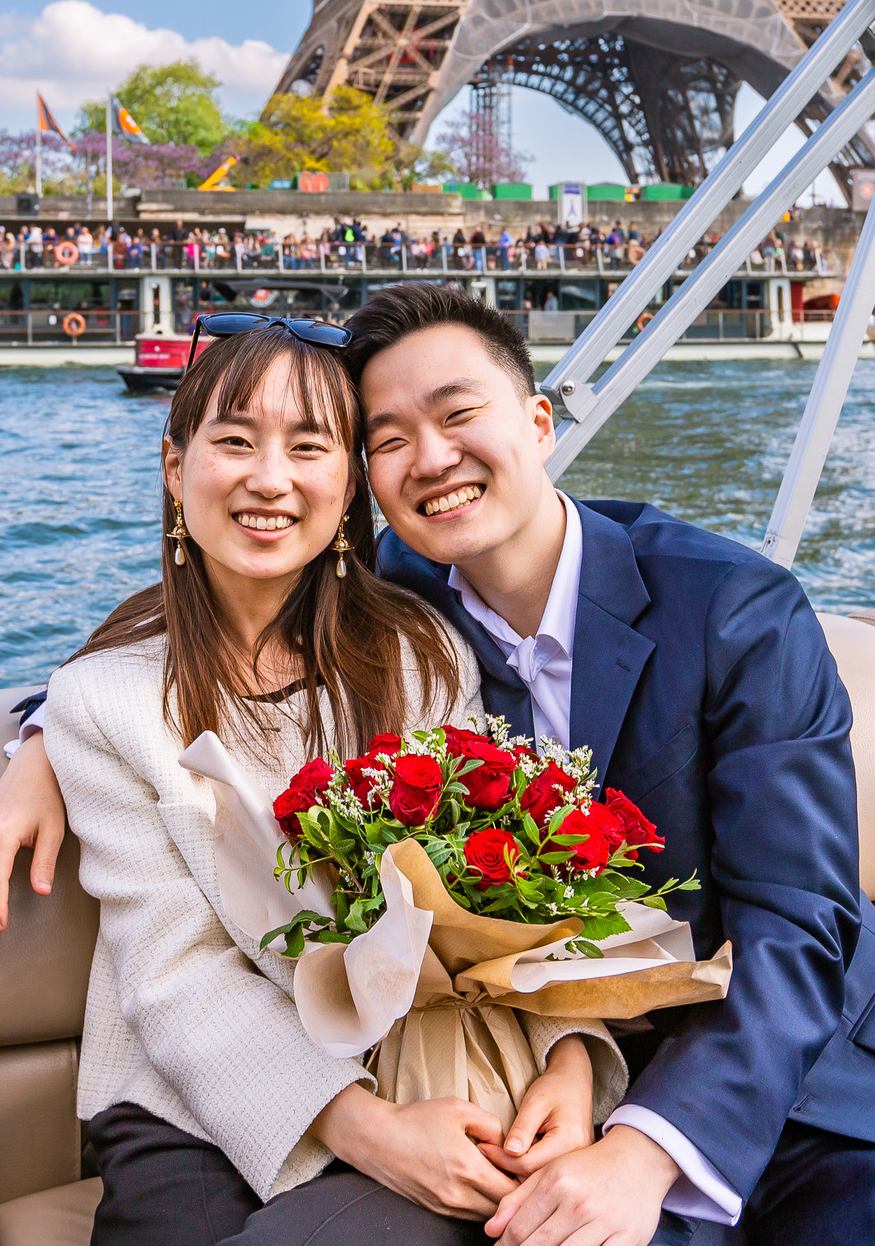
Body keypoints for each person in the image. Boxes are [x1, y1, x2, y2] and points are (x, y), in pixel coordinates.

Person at [0, 283, 875, 1246]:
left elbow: (796, 926)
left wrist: (640, 1143)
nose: (429, 459)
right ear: (368, 488)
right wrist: (42, 739)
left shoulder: (734, 610)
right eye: (386, 437)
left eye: (456, 416)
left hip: (807, 1062)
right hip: (546, 1078)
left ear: (537, 421)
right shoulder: (410, 602)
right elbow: (200, 627)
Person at [37, 316, 622, 1246]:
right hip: (194, 1095)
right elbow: (174, 973)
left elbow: (500, 878)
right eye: (235, 442)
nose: (271, 479)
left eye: (309, 447)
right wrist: (370, 1132)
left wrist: (571, 1055)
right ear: (172, 467)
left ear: (347, 484)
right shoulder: (101, 701)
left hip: (420, 1058)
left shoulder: (418, 652)